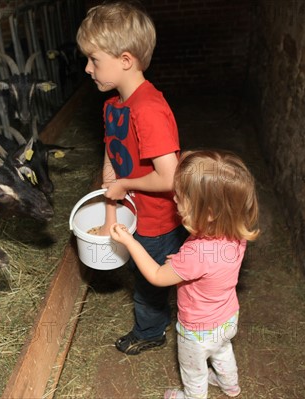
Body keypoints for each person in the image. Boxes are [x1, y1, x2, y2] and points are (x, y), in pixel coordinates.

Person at [76, 0, 190, 355]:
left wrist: (125, 186)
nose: (87, 68)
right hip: (135, 210)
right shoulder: (115, 105)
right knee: (151, 272)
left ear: (125, 60)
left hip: (157, 218)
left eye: (94, 60)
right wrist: (111, 189)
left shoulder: (149, 110)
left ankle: (151, 331)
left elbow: (170, 177)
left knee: (148, 282)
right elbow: (114, 147)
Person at [110, 149, 260, 399]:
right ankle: (230, 385)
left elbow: (157, 276)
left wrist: (129, 241)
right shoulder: (236, 233)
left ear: (209, 212)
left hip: (198, 330)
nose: (174, 201)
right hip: (227, 317)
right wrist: (181, 262)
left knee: (193, 371)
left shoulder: (196, 254)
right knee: (222, 350)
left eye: (180, 198)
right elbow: (210, 268)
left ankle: (192, 396)